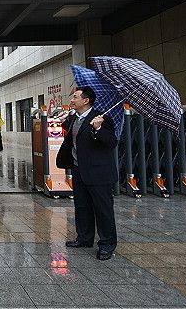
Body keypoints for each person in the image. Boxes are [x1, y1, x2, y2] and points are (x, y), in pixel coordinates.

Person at [56, 86, 118, 260]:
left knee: (103, 210)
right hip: (79, 170)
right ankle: (84, 238)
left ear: (86, 100)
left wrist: (98, 129)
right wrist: (64, 121)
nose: (72, 99)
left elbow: (111, 142)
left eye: (75, 97)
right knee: (82, 207)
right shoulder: (74, 117)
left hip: (99, 173)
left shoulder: (102, 118)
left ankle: (107, 245)